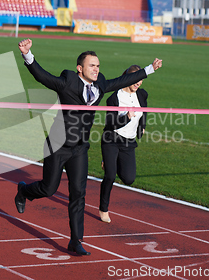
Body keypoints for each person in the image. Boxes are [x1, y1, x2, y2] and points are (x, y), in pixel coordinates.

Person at [14, 39, 162, 255]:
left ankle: (75, 240)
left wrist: (149, 69)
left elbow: (123, 80)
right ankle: (24, 191)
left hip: (80, 148)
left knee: (78, 193)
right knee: (48, 188)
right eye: (92, 65)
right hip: (58, 145)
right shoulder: (67, 81)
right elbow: (43, 76)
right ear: (80, 68)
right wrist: (28, 55)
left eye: (98, 65)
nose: (96, 69)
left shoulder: (100, 84)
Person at [99, 65, 147, 224]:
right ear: (127, 78)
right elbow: (111, 123)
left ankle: (110, 162)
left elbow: (144, 112)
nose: (138, 83)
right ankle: (103, 209)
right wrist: (126, 117)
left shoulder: (142, 94)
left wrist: (142, 127)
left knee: (129, 179)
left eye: (141, 80)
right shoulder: (114, 98)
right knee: (110, 175)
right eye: (136, 79)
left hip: (129, 142)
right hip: (112, 139)